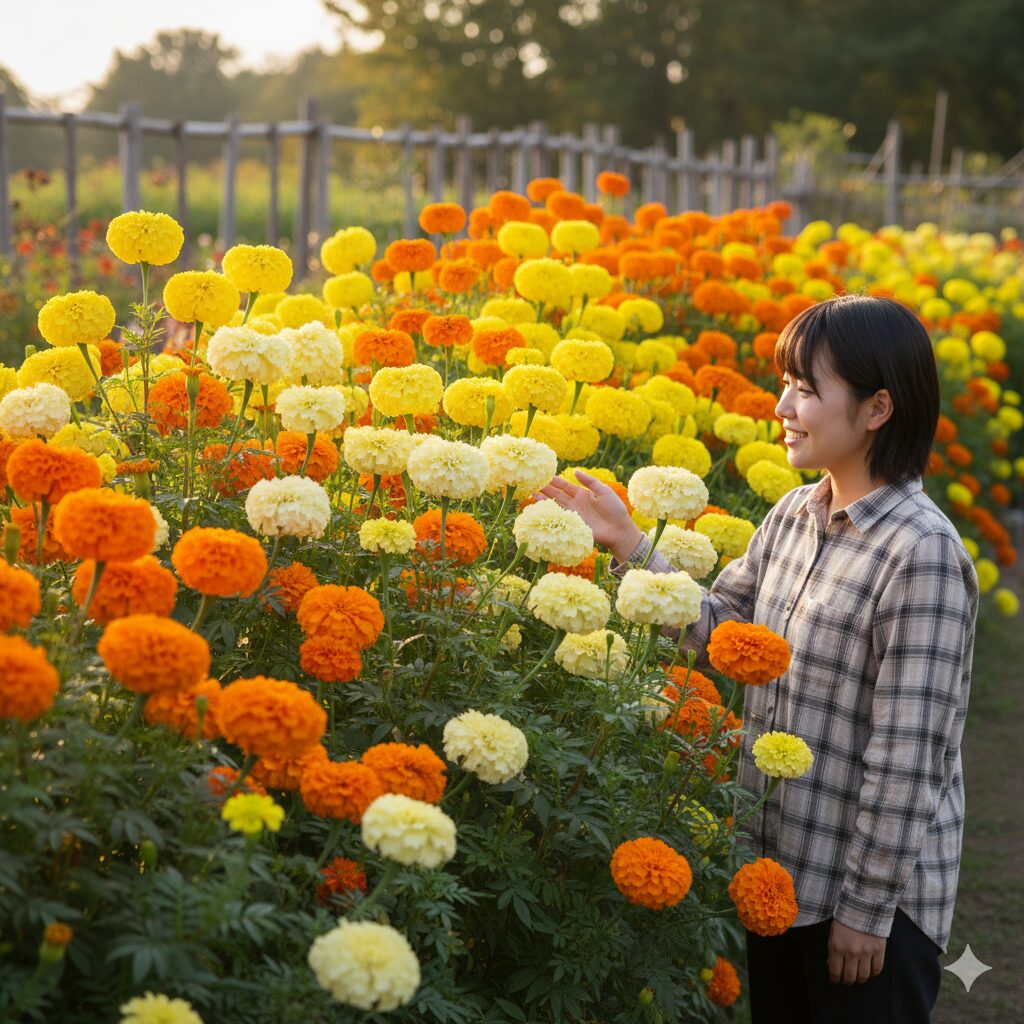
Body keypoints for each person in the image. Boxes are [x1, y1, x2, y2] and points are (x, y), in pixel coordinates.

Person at [536, 294, 979, 1023]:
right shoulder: (794, 516)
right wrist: (628, 546)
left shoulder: (921, 554)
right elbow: (720, 633)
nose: (783, 406)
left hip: (868, 906)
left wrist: (866, 911)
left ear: (877, 409)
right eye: (785, 384)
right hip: (779, 876)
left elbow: (909, 755)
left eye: (807, 390)